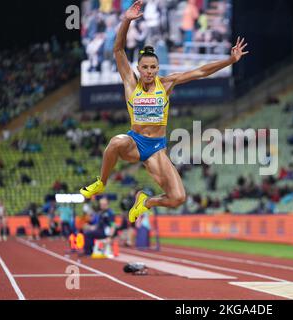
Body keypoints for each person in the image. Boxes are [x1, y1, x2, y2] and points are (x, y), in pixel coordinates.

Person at [80, 0, 248, 223]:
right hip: (135, 141)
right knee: (116, 141)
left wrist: (230, 60)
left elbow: (201, 72)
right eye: (145, 67)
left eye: (153, 68)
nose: (149, 71)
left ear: (157, 69)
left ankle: (146, 202)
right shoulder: (130, 82)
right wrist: (126, 20)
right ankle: (101, 182)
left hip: (156, 148)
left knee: (178, 197)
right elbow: (118, 49)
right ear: (138, 68)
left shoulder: (167, 84)